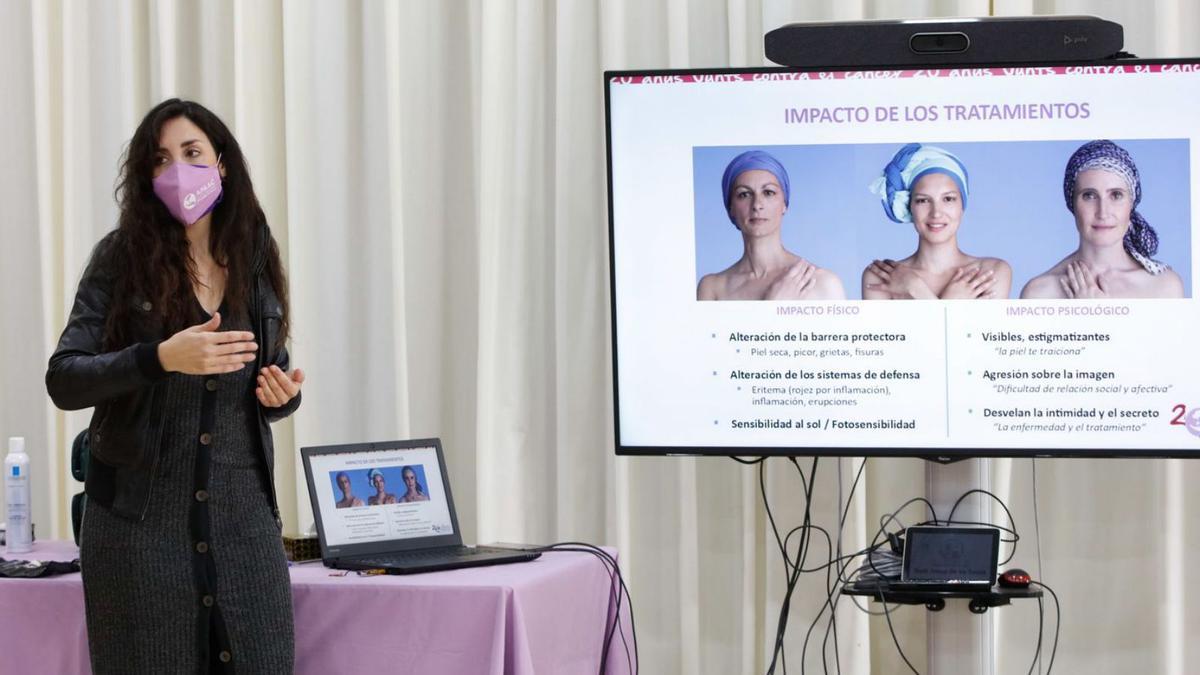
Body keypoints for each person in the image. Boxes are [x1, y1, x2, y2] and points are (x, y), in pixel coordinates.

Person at [45, 99, 304, 673]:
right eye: (161, 160)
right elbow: (64, 379)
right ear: (146, 179)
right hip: (138, 532)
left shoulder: (255, 259)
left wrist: (281, 393)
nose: (179, 170)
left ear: (223, 165)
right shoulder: (120, 260)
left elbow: (269, 370)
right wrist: (159, 357)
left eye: (192, 153)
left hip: (245, 528)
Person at [1021, 140, 1185, 299]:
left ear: (1131, 204)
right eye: (1089, 195)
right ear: (1072, 204)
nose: (1103, 212)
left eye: (1116, 195)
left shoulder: (1164, 286)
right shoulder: (1040, 292)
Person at [863, 144, 1012, 300]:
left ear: (962, 205)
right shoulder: (882, 277)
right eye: (923, 200)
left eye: (948, 199)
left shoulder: (991, 273)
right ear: (910, 207)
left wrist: (917, 290)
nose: (936, 213)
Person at [697, 150, 846, 300]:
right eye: (744, 194)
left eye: (768, 192)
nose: (757, 205)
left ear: (784, 204)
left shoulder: (822, 283)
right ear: (731, 209)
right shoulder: (712, 288)